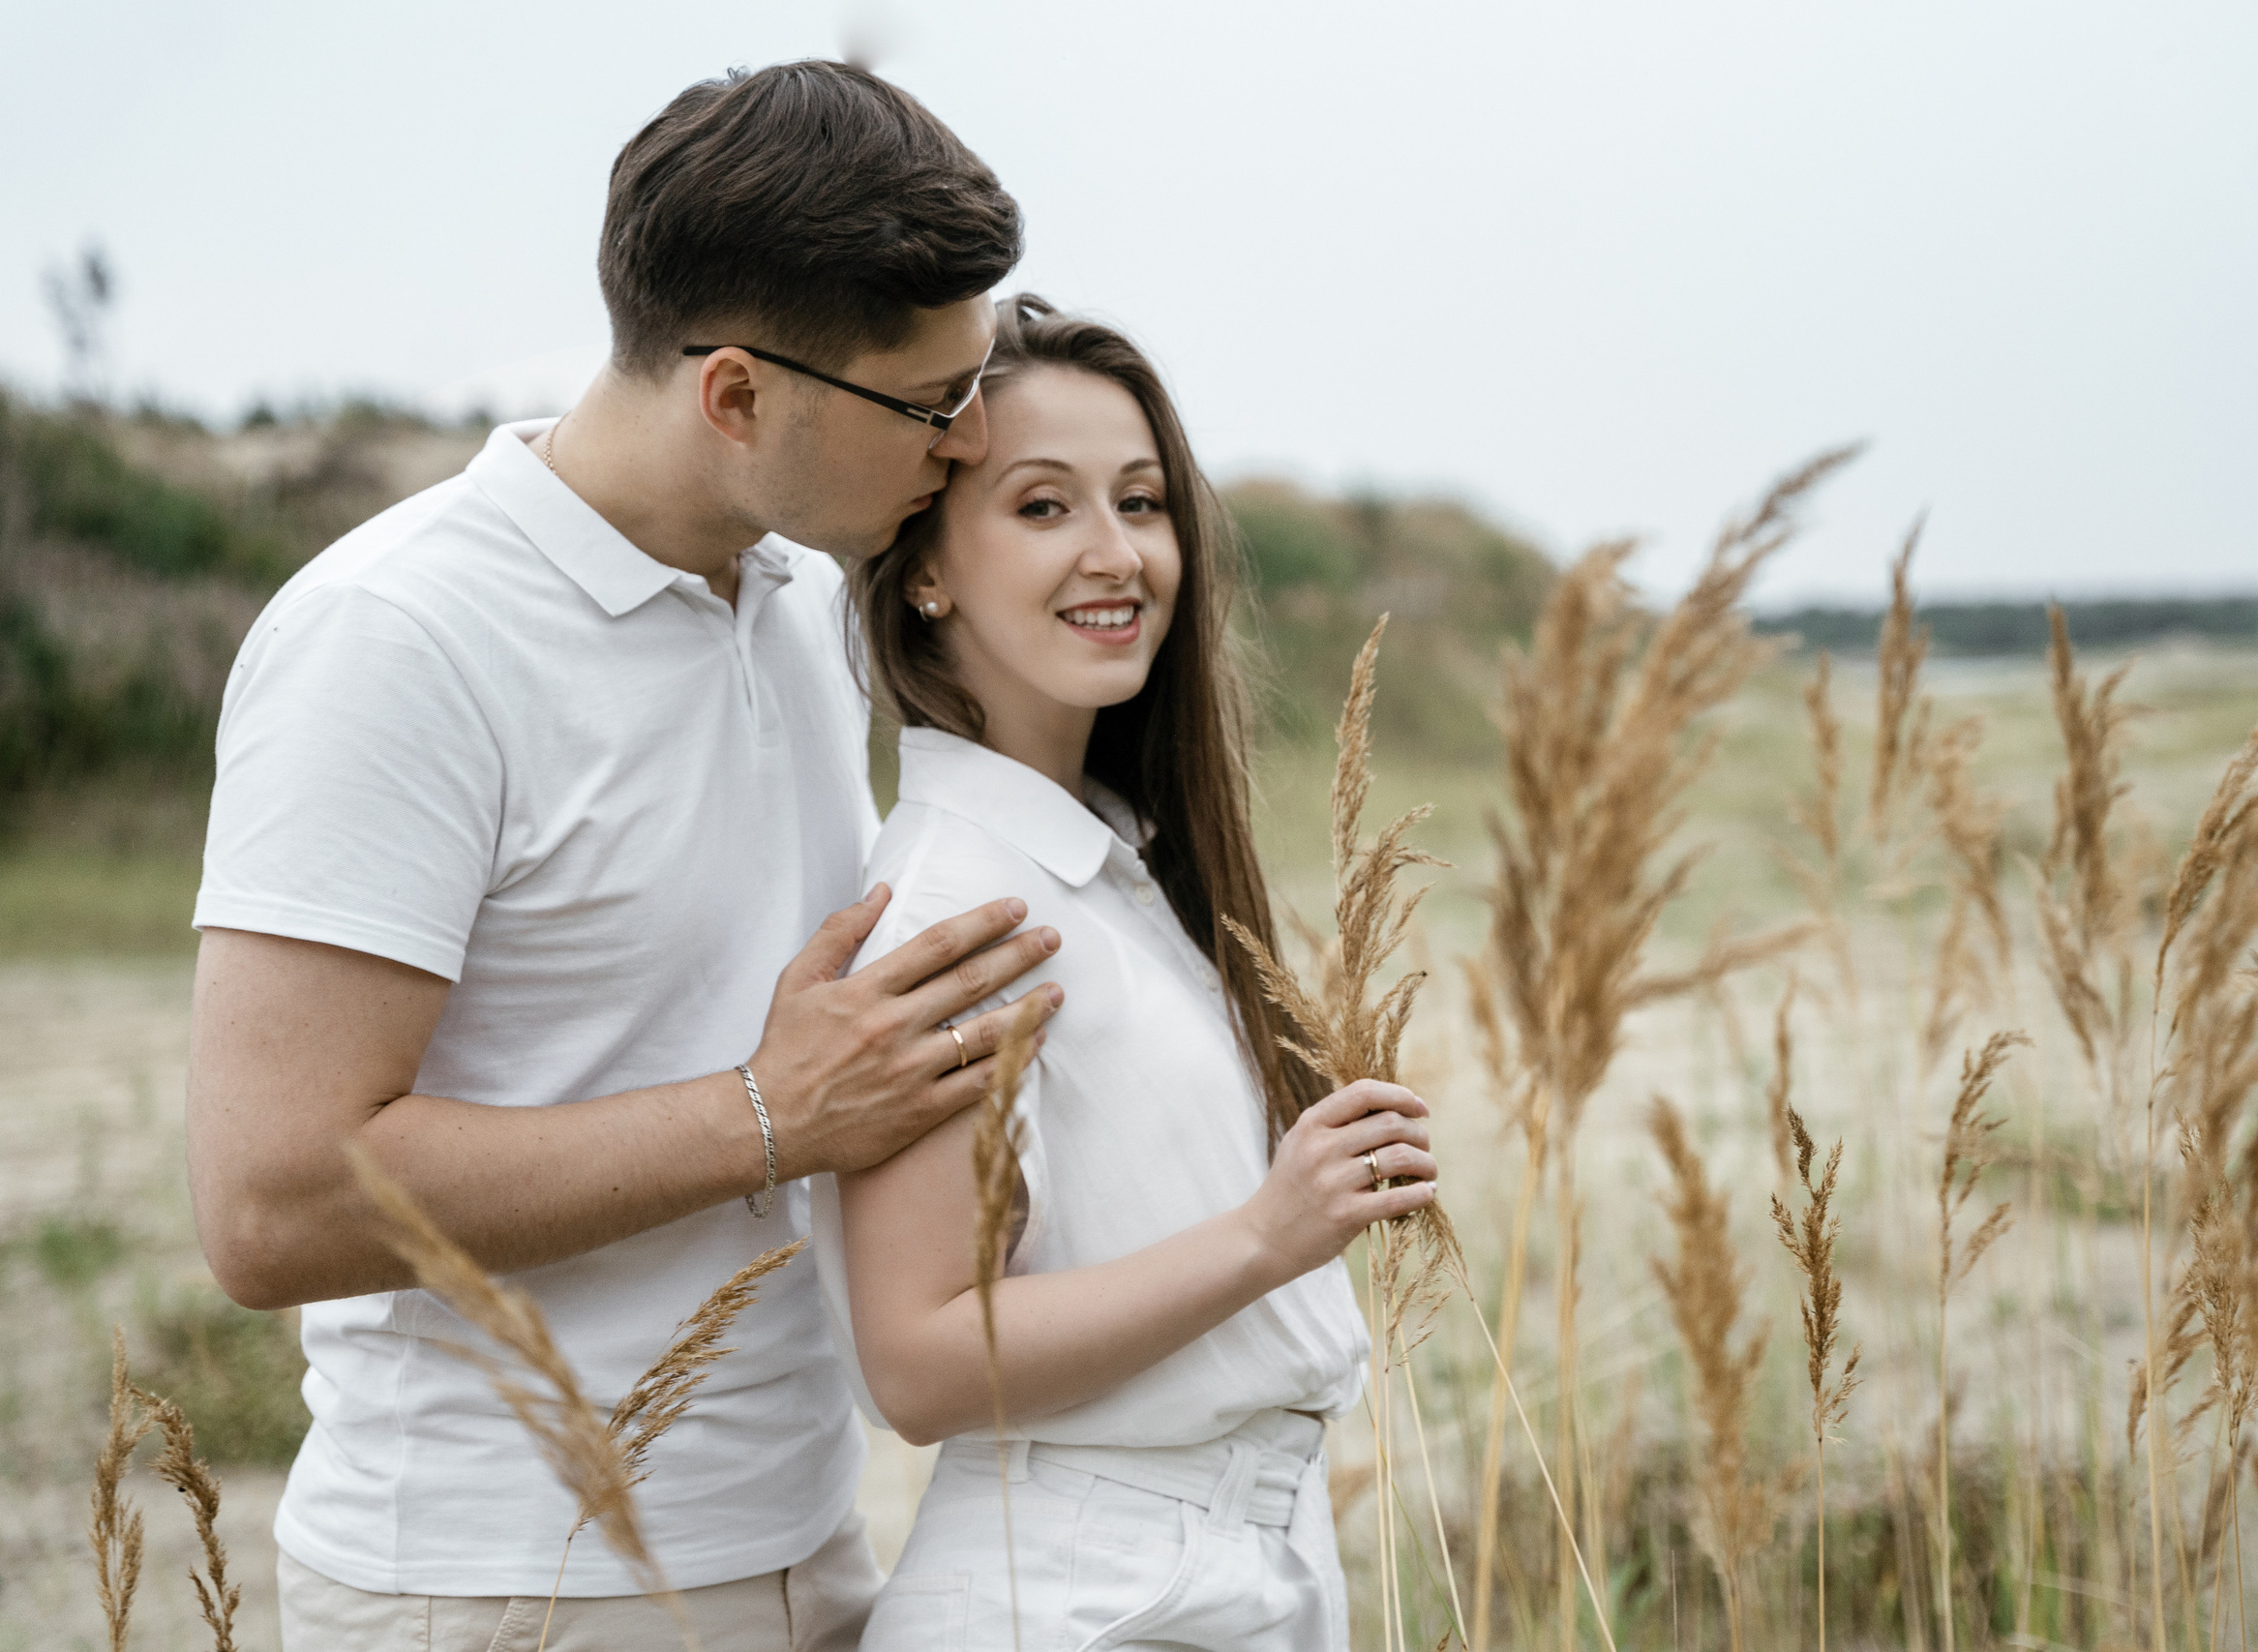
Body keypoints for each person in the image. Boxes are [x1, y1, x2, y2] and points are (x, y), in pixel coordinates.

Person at [184, 62, 1063, 1652]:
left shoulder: (797, 597)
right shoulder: (396, 641)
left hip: (807, 1545)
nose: (973, 435)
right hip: (506, 1589)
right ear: (735, 395)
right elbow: (269, 1202)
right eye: (933, 402)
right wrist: (769, 1115)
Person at [825, 296, 1440, 1652]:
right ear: (925, 567)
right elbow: (916, 1361)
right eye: (1043, 508)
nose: (1118, 554)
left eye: (1142, 501)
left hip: (1231, 1570)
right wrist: (1266, 1236)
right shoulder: (957, 901)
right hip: (1085, 1596)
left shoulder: (1108, 860)